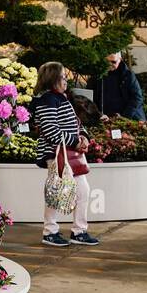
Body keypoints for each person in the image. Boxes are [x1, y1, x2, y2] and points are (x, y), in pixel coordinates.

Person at [30, 61, 100, 248]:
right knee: (56, 191)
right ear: (52, 79)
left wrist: (84, 136)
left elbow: (75, 123)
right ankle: (51, 231)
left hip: (68, 153)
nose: (66, 81)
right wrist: (76, 141)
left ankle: (78, 231)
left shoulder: (60, 98)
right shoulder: (47, 100)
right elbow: (50, 129)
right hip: (57, 154)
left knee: (81, 190)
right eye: (62, 77)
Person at [89, 51, 146, 120]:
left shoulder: (128, 75)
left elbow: (137, 98)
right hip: (105, 118)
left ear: (120, 60)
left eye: (113, 62)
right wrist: (99, 114)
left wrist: (123, 117)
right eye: (107, 61)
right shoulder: (97, 75)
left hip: (129, 117)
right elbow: (90, 98)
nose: (109, 64)